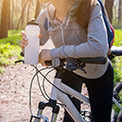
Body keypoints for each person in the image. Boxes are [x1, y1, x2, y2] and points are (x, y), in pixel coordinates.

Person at [20, 0, 114, 122]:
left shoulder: (90, 7)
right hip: (70, 69)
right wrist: (26, 44)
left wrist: (54, 53)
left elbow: (99, 47)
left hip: (98, 72)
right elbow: (37, 41)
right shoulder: (47, 15)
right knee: (70, 118)